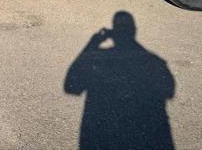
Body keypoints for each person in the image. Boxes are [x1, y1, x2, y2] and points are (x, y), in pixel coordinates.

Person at [65, 11, 175, 150]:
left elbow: (71, 86)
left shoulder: (102, 57)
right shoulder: (155, 62)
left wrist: (93, 43)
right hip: (147, 136)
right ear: (134, 31)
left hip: (102, 136)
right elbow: (168, 91)